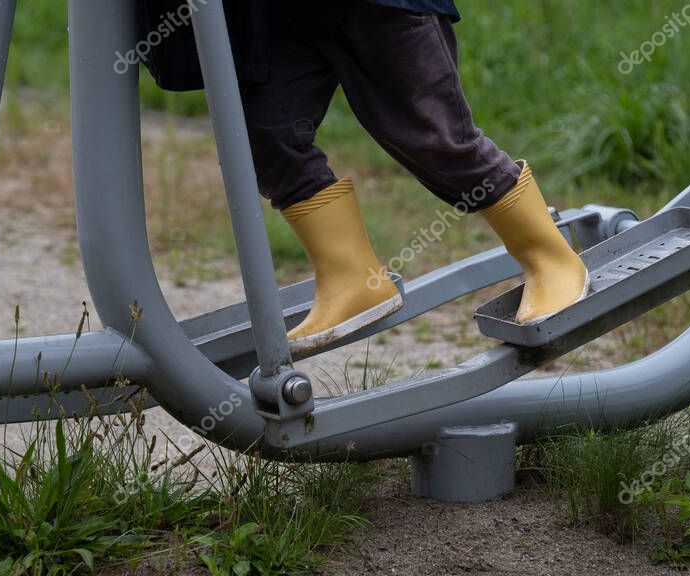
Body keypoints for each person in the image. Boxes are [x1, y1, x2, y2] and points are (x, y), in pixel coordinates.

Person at [231, 0, 589, 353]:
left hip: (382, 6)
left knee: (436, 139)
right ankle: (351, 278)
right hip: (273, 14)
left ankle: (548, 257)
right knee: (266, 138)